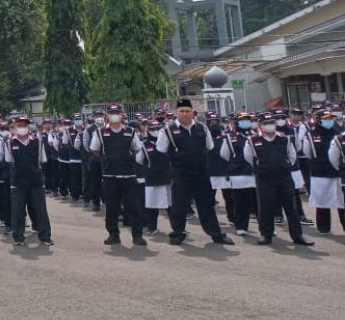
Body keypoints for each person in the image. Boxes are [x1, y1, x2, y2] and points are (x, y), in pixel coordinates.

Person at [157, 99, 234, 246]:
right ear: (176, 113)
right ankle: (177, 234)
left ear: (193, 112)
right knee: (179, 206)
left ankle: (216, 234)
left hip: (201, 174)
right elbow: (161, 150)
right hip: (180, 174)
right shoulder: (167, 131)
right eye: (181, 111)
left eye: (187, 111)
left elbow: (210, 146)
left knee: (206, 205)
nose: (185, 114)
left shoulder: (202, 128)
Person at [245, 113, 314, 247]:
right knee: (265, 208)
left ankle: (297, 236)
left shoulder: (285, 139)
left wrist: (283, 166)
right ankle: (266, 235)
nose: (269, 125)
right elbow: (249, 158)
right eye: (266, 123)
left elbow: (292, 157)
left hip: (284, 178)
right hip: (264, 179)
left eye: (271, 122)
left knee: (291, 209)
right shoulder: (252, 140)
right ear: (260, 125)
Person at [87, 104, 146, 246]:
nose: (114, 115)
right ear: (107, 115)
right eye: (112, 112)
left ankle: (137, 235)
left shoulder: (130, 131)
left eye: (117, 112)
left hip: (129, 175)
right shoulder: (100, 132)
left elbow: (137, 149)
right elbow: (94, 149)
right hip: (109, 176)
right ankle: (113, 235)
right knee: (112, 207)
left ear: (121, 114)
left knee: (134, 206)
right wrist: (107, 159)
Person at [0, 115, 53, 247]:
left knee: (40, 210)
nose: (22, 127)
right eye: (19, 125)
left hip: (36, 181)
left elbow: (43, 160)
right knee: (18, 210)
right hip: (18, 182)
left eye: (24, 125)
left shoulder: (38, 142)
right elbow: (8, 160)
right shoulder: (9, 143)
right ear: (14, 126)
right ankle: (18, 237)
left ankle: (45, 236)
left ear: (28, 126)